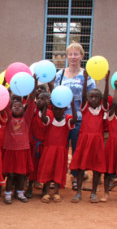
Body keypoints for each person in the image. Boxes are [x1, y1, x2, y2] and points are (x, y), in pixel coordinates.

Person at [52, 42, 96, 190]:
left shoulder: (87, 76)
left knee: (77, 149)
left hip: (79, 119)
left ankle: (76, 177)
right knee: (60, 148)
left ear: (82, 56)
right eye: (70, 54)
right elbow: (55, 95)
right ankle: (57, 177)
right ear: (67, 56)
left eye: (76, 54)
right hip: (62, 119)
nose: (73, 57)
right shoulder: (60, 74)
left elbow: (92, 97)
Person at [70, 70, 109, 203]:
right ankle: (79, 192)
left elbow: (105, 100)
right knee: (81, 167)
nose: (93, 99)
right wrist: (85, 80)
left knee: (97, 168)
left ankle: (93, 193)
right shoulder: (85, 108)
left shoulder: (101, 110)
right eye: (91, 97)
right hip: (84, 141)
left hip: (97, 142)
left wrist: (106, 80)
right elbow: (83, 95)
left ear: (100, 99)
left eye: (96, 97)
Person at [2, 78, 37, 204]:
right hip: (10, 150)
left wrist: (34, 85)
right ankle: (7, 194)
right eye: (14, 106)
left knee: (22, 174)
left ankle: (20, 193)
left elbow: (32, 102)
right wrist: (7, 89)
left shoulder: (26, 119)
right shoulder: (8, 119)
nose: (17, 107)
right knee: (10, 174)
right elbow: (5, 104)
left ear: (24, 109)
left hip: (23, 150)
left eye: (20, 106)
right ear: (10, 110)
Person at [38, 100, 77, 203]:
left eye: (60, 109)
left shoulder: (67, 119)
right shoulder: (50, 119)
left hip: (60, 151)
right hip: (49, 150)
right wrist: (46, 107)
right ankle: (46, 192)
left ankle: (56, 193)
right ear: (52, 109)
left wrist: (73, 106)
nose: (58, 111)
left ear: (64, 109)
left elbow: (75, 120)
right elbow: (43, 118)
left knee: (58, 171)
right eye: (55, 109)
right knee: (47, 170)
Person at [26, 91, 53, 198]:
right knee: (33, 167)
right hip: (34, 144)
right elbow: (31, 100)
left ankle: (45, 189)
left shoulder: (50, 112)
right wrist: (34, 84)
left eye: (42, 99)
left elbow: (44, 119)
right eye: (39, 99)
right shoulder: (34, 111)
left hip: (45, 146)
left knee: (45, 167)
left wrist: (46, 107)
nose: (39, 101)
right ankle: (29, 187)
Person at [101, 80, 117, 202]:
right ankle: (106, 193)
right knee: (108, 169)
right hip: (112, 146)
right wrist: (116, 89)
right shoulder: (112, 116)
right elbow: (114, 104)